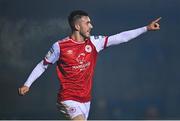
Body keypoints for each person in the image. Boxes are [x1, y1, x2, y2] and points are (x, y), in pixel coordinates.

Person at [18, 10, 161, 120]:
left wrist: (146, 28)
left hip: (86, 100)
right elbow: (43, 65)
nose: (91, 26)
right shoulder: (59, 46)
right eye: (87, 23)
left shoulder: (94, 42)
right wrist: (27, 84)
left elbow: (120, 38)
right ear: (76, 25)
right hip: (67, 99)